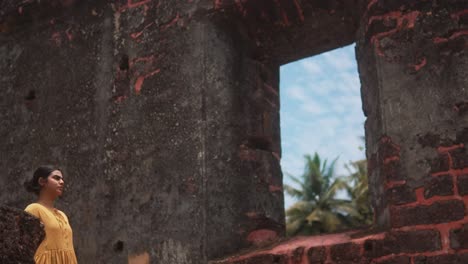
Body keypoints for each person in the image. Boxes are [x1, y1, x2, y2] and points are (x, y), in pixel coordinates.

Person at [23, 166, 78, 264]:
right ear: (42, 182)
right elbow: (25, 248)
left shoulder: (62, 215)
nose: (62, 182)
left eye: (62, 179)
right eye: (56, 178)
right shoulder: (34, 209)